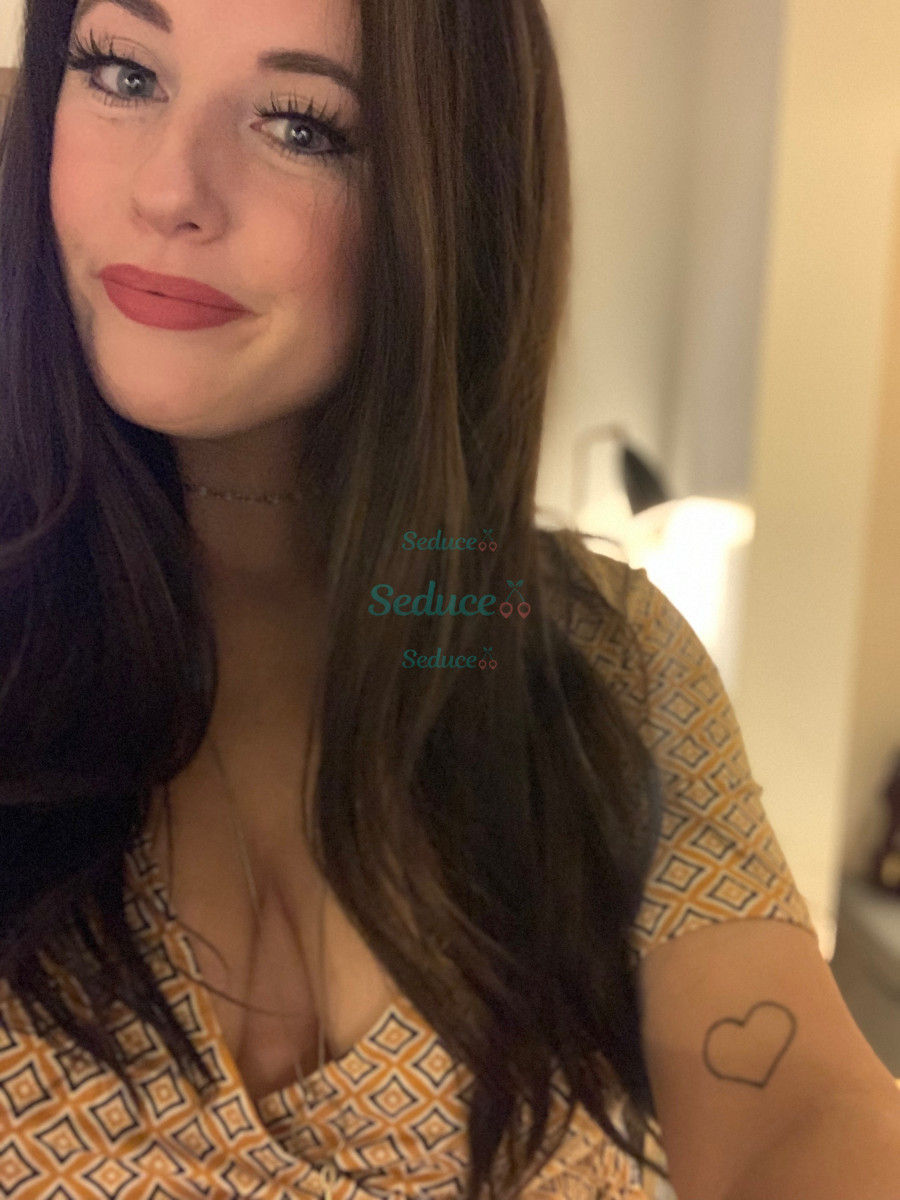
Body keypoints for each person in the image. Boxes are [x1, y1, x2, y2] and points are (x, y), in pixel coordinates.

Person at [1, 0, 899, 1197]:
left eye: (301, 125)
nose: (171, 189)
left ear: (447, 200)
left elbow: (796, 1105)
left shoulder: (591, 650)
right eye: (121, 72)